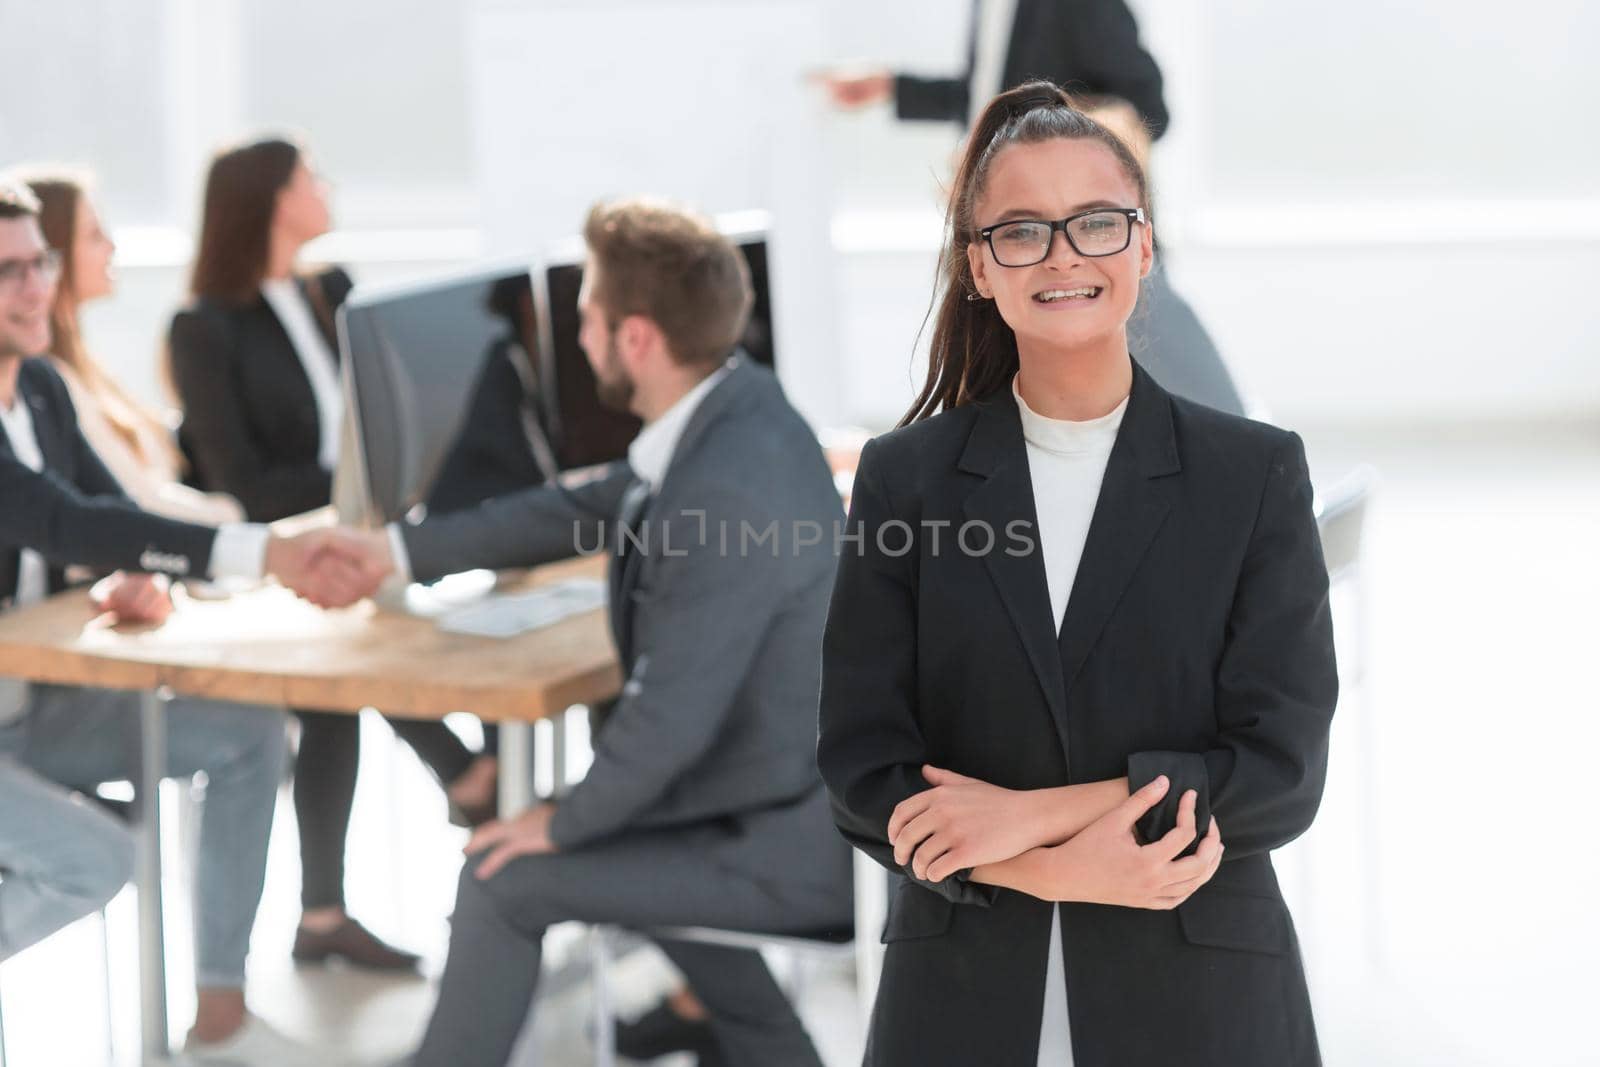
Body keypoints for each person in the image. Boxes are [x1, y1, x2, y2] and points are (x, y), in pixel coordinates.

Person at [816, 83, 1338, 1065]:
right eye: (1021, 230)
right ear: (979, 266)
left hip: (1200, 994)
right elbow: (860, 767)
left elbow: (1279, 773)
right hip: (962, 997)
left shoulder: (1252, 473)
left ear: (1144, 245)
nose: (1062, 255)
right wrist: (1052, 872)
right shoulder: (905, 479)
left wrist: (1028, 814)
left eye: (1095, 223)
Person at [328, 198, 854, 1067]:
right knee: (591, 840)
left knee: (501, 876)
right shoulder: (744, 410)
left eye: (586, 319)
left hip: (774, 837)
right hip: (757, 794)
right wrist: (391, 548)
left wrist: (563, 820)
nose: (574, 340)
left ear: (636, 339)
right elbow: (584, 503)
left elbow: (669, 720)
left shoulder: (722, 486)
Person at [0, 176, 376, 1065]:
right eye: (7, 271)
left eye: (38, 262)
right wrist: (266, 553)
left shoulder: (42, 390)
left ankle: (220, 1016)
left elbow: (95, 516)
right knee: (98, 859)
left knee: (247, 732)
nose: (34, 286)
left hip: (32, 708)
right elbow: (63, 520)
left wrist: (115, 580)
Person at [166, 137, 498, 970]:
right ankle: (470, 782)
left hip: (355, 538)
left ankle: (327, 913)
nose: (327, 189)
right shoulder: (203, 329)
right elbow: (241, 483)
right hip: (277, 555)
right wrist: (340, 515)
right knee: (341, 656)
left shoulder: (332, 292)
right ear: (275, 200)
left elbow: (387, 418)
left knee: (408, 629)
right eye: (311, 178)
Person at [818, 0, 1247, 416]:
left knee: (1173, 381)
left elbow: (1145, 106)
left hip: (1087, 235)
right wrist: (895, 90)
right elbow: (995, 93)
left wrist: (1021, 177)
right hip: (1015, 238)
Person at [15, 169, 242, 524]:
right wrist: (244, 517)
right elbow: (139, 505)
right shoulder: (50, 382)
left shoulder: (85, 366)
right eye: (93, 235)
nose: (112, 245)